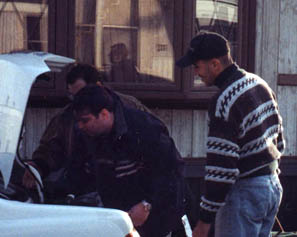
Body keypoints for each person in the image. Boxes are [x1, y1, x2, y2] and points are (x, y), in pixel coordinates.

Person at [176, 31, 285, 237]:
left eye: (197, 66)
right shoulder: (259, 84)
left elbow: (222, 169)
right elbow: (279, 139)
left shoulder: (224, 101)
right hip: (271, 185)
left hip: (244, 192)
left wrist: (204, 221)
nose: (195, 73)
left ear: (215, 64)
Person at [72, 85, 185, 237]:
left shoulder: (145, 128)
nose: (80, 126)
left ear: (104, 114)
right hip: (116, 217)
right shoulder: (85, 134)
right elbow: (79, 172)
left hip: (160, 214)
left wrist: (147, 204)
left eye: (85, 120)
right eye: (78, 121)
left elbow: (171, 172)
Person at [22, 64, 152, 195]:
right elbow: (51, 148)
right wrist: (38, 167)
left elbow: (156, 150)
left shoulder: (131, 108)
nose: (77, 101)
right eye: (72, 96)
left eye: (81, 93)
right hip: (86, 188)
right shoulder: (65, 117)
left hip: (128, 189)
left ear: (99, 86)